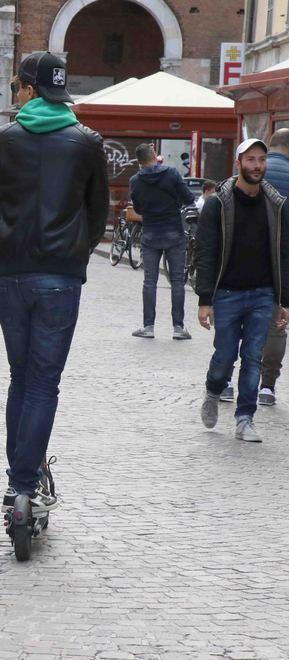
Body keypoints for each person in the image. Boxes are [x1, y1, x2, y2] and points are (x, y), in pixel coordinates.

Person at [0, 51, 109, 514]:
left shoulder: (2, 140)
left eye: (18, 86)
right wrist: (75, 253)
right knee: (42, 383)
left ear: (30, 89)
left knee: (21, 378)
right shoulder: (86, 141)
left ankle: (19, 478)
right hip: (60, 274)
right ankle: (24, 484)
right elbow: (98, 213)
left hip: (10, 273)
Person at [195, 138, 289, 443]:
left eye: (261, 159)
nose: (257, 166)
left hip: (262, 293)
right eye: (251, 160)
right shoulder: (218, 204)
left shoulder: (276, 205)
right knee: (225, 355)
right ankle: (213, 390)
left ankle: (245, 418)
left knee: (252, 357)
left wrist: (284, 299)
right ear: (238, 163)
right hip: (226, 293)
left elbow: (284, 253)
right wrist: (205, 299)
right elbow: (206, 252)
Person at [129, 143, 194, 340]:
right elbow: (188, 198)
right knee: (177, 281)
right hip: (174, 232)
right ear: (154, 155)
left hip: (150, 234)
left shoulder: (135, 181)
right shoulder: (172, 174)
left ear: (139, 161)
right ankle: (178, 327)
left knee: (150, 282)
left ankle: (148, 327)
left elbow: (138, 208)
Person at [259, 129, 289, 406]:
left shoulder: (253, 172)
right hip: (283, 262)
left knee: (238, 319)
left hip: (247, 258)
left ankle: (228, 380)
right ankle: (267, 386)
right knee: (277, 323)